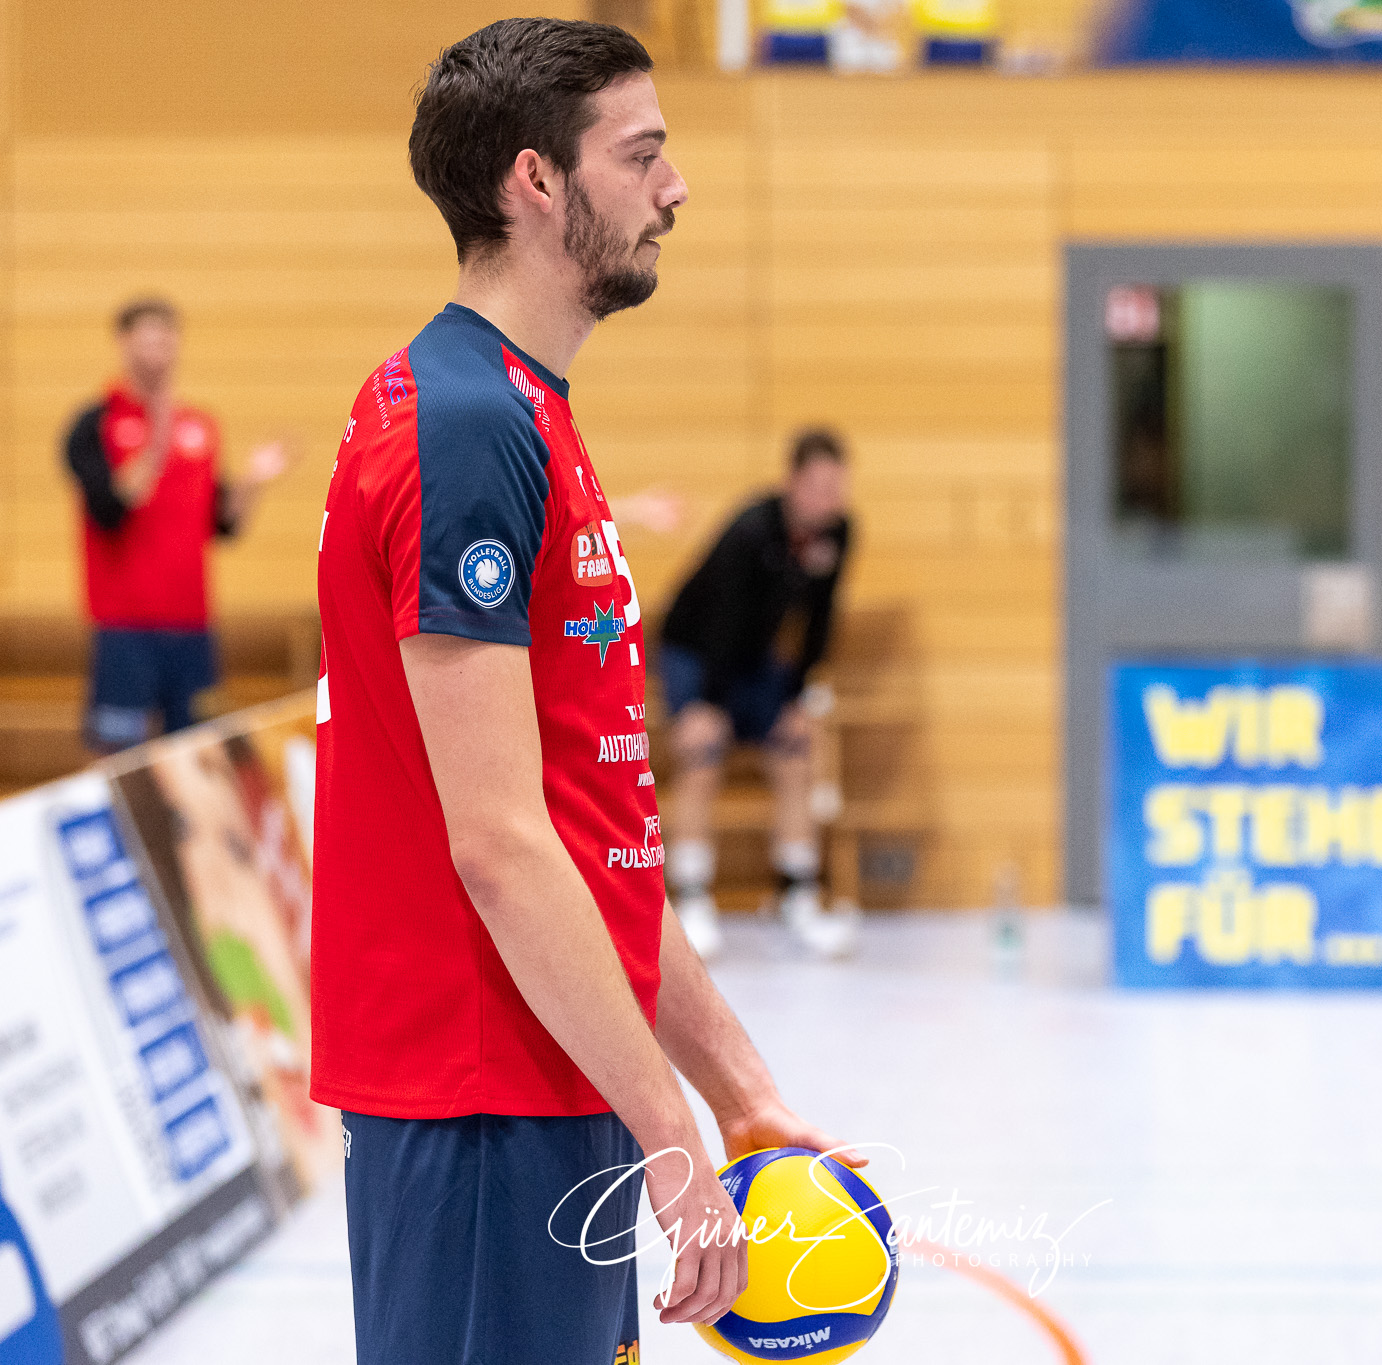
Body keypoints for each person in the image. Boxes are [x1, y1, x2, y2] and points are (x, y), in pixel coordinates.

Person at [307, 20, 864, 1365]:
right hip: (479, 1094)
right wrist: (671, 1133)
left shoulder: (521, 410)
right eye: (643, 154)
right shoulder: (463, 425)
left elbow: (589, 835)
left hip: (554, 1067)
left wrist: (737, 1095)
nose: (676, 187)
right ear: (537, 181)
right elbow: (501, 845)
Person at [659, 429, 857, 960]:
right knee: (702, 753)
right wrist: (706, 704)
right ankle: (692, 898)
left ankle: (797, 895)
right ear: (793, 483)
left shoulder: (838, 533)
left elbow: (820, 620)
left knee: (797, 750)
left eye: (837, 488)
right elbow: (722, 622)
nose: (829, 500)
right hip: (696, 652)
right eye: (818, 488)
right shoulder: (751, 530)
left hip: (755, 660)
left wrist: (797, 698)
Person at [62, 298, 290, 753]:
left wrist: (253, 481)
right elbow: (109, 508)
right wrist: (158, 434)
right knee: (119, 757)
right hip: (125, 628)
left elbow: (220, 524)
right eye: (147, 338)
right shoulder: (94, 424)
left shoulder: (201, 426)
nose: (158, 350)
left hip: (192, 625)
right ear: (123, 343)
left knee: (199, 752)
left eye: (166, 339)